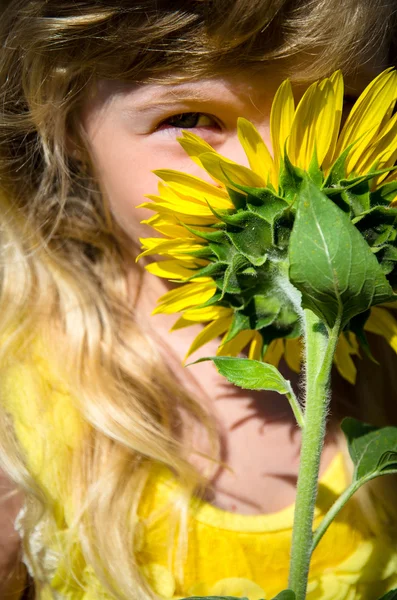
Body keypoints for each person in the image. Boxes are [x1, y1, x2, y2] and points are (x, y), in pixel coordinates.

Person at [1, 1, 397, 598]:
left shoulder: (386, 370)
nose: (280, 173)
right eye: (190, 118)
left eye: (337, 108)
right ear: (67, 124)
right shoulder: (20, 412)